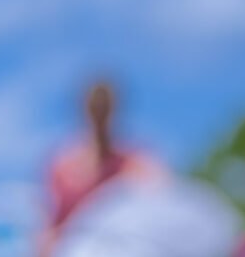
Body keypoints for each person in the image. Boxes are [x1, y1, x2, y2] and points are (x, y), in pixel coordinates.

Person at [44, 80, 161, 237]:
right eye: (95, 108)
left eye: (104, 108)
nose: (99, 116)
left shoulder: (132, 161)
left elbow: (158, 191)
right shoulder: (62, 165)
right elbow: (52, 222)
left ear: (113, 110)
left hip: (119, 241)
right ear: (84, 109)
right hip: (73, 248)